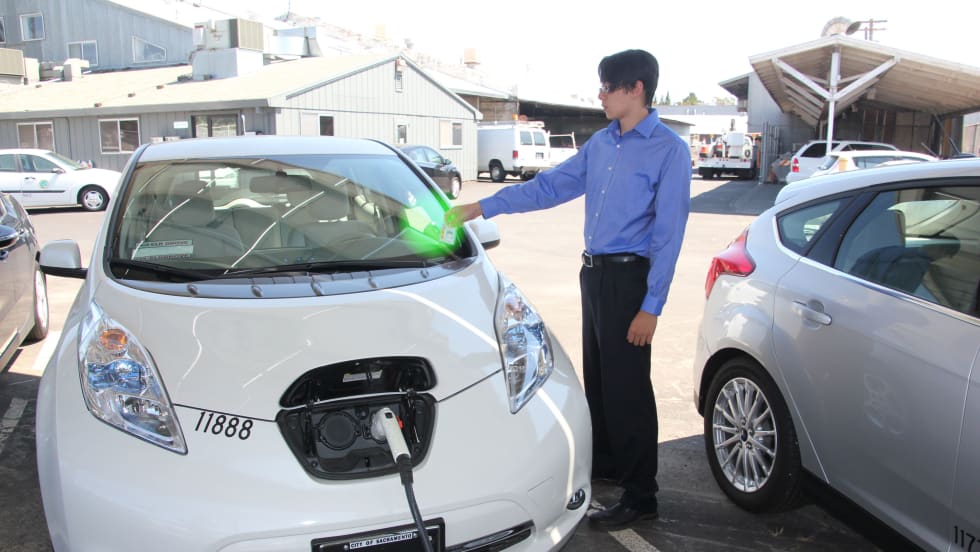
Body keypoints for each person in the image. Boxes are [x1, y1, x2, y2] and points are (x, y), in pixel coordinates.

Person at [446, 49, 691, 528]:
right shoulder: (602, 144)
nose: (600, 95)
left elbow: (669, 235)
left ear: (636, 89)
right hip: (594, 276)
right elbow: (549, 188)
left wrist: (652, 306)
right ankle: (611, 468)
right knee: (599, 382)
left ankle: (642, 496)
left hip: (629, 280)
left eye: (607, 87)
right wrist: (479, 208)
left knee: (628, 390)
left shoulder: (668, 150)